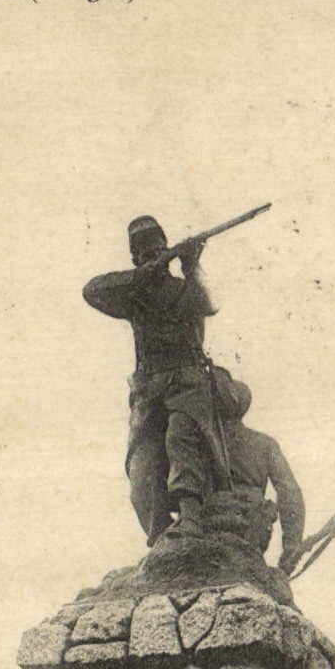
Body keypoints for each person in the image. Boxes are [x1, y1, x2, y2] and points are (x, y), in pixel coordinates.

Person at [82, 216, 231, 545]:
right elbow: (91, 291)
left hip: (187, 381)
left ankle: (191, 516)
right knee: (142, 464)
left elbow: (209, 304)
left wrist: (192, 267)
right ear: (135, 259)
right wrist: (141, 275)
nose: (150, 255)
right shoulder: (134, 295)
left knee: (182, 437)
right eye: (143, 252)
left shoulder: (182, 290)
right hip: (148, 386)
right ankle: (159, 536)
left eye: (156, 249)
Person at [212, 368, 306, 574]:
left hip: (211, 530)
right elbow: (290, 493)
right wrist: (291, 545)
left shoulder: (198, 442)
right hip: (250, 531)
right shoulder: (264, 444)